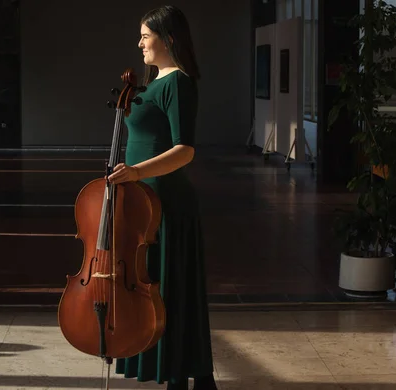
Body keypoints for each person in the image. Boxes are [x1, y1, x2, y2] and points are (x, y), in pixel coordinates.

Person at [106, 5, 217, 390]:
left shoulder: (178, 83)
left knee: (169, 291)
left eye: (145, 36)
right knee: (156, 287)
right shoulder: (151, 84)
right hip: (143, 204)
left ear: (168, 38)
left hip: (166, 202)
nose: (139, 43)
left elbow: (185, 150)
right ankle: (186, 374)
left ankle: (183, 377)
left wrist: (136, 172)